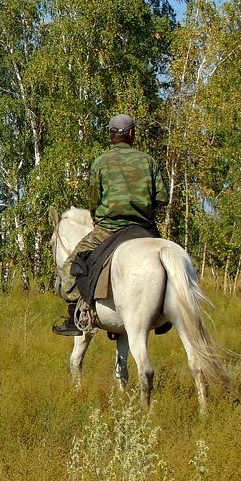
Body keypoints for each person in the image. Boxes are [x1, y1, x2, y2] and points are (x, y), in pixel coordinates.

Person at [52, 113, 169, 335]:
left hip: (110, 229)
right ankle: (165, 316)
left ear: (110, 135)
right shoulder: (148, 161)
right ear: (132, 134)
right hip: (145, 229)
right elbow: (162, 198)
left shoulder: (101, 162)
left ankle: (75, 319)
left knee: (69, 268)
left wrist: (97, 215)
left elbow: (93, 201)